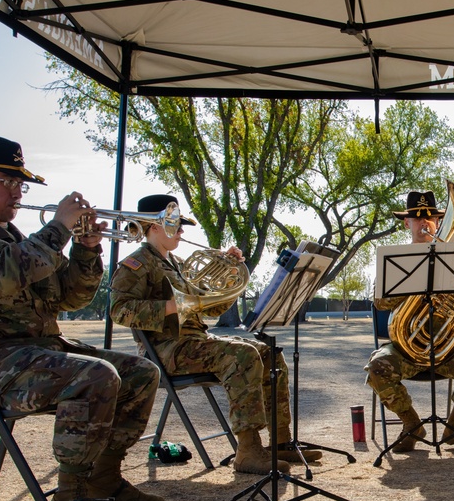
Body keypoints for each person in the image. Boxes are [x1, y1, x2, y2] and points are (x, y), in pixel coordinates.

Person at [0, 134, 163, 501]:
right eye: (8, 181)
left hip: (41, 351)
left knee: (142, 372)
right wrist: (58, 228)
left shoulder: (23, 242)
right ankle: (71, 500)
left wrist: (87, 251)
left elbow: (71, 296)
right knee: (96, 376)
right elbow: (3, 275)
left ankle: (103, 481)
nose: (18, 191)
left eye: (22, 183)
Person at [110, 194, 316, 476]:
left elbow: (213, 307)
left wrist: (230, 272)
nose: (181, 231)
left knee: (270, 353)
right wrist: (172, 307)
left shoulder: (180, 264)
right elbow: (119, 310)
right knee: (242, 355)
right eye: (176, 225)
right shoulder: (136, 264)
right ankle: (248, 449)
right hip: (166, 349)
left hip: (196, 343)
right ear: (154, 226)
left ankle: (280, 441)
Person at [365, 190, 454, 452]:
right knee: (377, 365)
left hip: (450, 348)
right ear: (407, 223)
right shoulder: (394, 261)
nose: (424, 223)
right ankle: (411, 425)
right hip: (406, 348)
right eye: (417, 218)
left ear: (439, 222)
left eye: (429, 217)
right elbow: (380, 304)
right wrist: (414, 282)